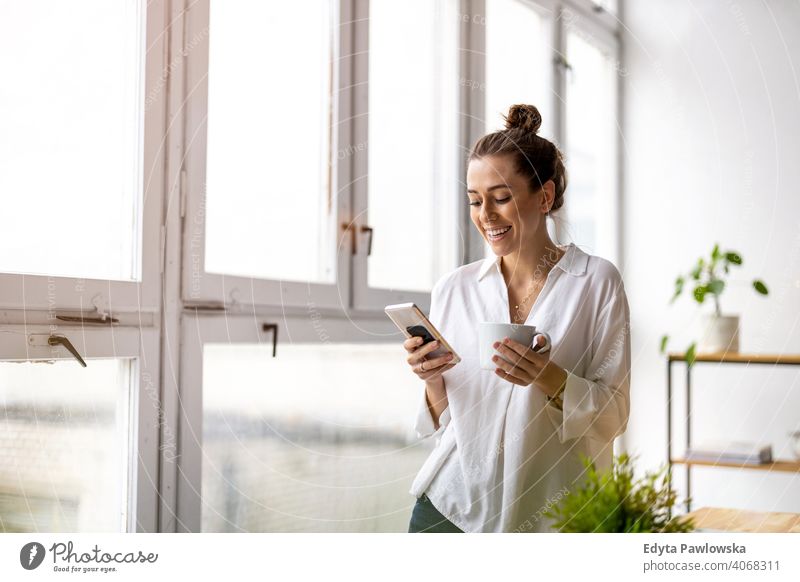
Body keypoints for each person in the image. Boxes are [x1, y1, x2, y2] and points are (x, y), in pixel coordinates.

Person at [404, 104, 631, 533]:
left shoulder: (597, 282)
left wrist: (549, 378)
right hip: (451, 507)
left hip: (554, 514)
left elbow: (614, 416)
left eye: (501, 197)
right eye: (475, 200)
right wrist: (431, 377)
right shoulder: (454, 289)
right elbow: (446, 417)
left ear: (544, 197)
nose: (485, 214)